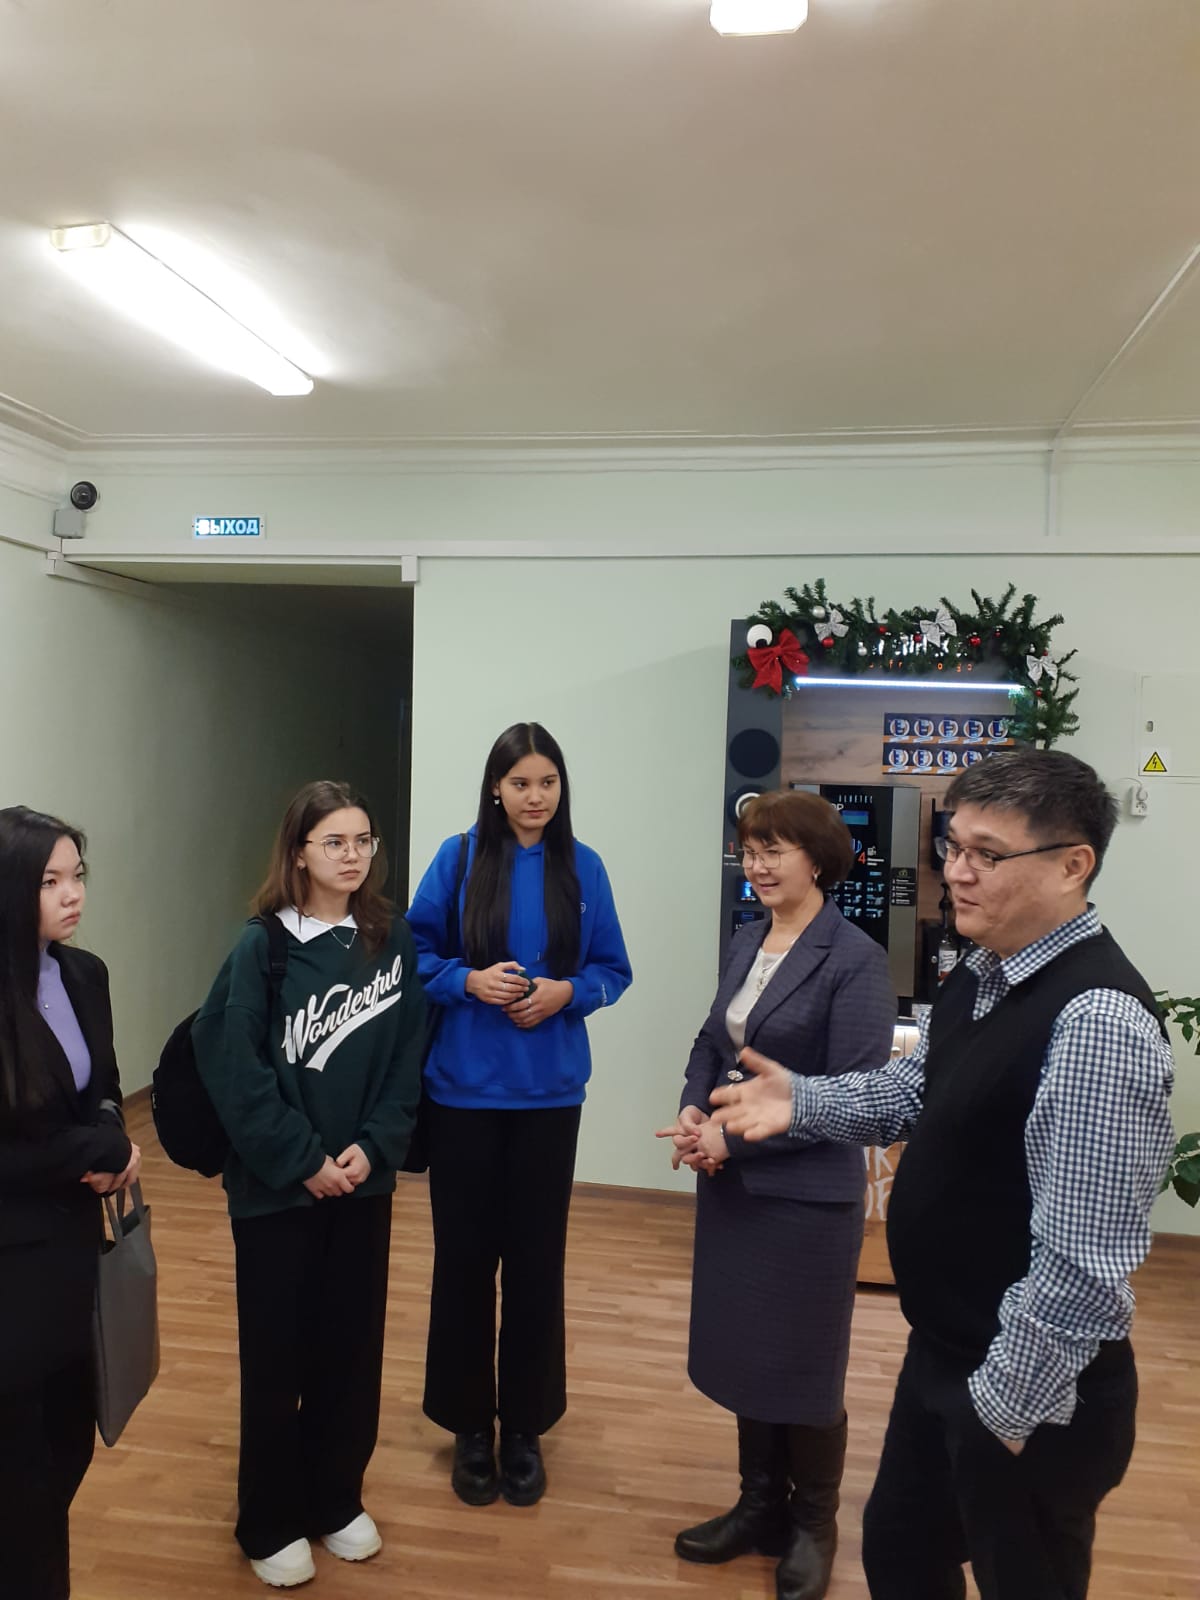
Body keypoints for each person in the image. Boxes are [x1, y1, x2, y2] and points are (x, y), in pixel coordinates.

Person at [710, 750, 1176, 1600]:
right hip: (946, 1355)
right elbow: (911, 1093)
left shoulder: (1097, 1021)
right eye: (952, 847)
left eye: (986, 855)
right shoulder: (984, 972)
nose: (956, 872)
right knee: (899, 1557)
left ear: (1074, 865)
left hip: (1029, 1390)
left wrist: (997, 1410)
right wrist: (802, 1099)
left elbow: (1085, 1267)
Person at [657, 790, 895, 1600]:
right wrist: (695, 1111)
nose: (756, 865)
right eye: (749, 850)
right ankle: (759, 1506)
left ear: (818, 861)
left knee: (803, 1367)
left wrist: (734, 1138)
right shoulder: (746, 938)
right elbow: (710, 1040)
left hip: (806, 1199)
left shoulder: (855, 958)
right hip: (735, 1189)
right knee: (747, 1356)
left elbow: (855, 1095)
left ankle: (813, 1524)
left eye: (774, 851)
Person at [192, 781, 424, 1589]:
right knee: (278, 1357)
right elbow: (234, 1067)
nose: (352, 855)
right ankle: (268, 1518)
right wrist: (302, 1158)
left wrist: (374, 1146)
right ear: (299, 852)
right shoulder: (261, 947)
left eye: (363, 840)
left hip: (362, 1185)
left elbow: (407, 1056)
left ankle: (335, 1497)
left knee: (350, 1351)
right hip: (277, 1193)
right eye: (334, 841)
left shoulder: (391, 939)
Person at [407, 722, 632, 1509]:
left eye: (547, 782)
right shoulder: (457, 859)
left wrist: (569, 993)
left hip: (550, 1099)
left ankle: (526, 1427)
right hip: (462, 1095)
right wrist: (466, 982)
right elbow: (412, 955)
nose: (535, 797)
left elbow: (613, 970)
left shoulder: (584, 867)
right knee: (464, 1264)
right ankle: (471, 1426)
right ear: (495, 789)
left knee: (537, 1265)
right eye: (520, 783)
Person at [0, 806, 141, 1600]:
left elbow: (105, 1087)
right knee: (21, 1481)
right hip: (10, 1262)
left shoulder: (84, 974)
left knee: (69, 1444)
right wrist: (91, 1153)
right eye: (50, 880)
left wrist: (114, 1135)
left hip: (72, 1257)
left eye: (77, 876)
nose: (72, 894)